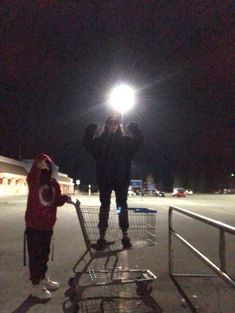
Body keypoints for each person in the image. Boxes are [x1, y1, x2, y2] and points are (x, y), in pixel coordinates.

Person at [83, 115, 144, 250]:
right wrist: (91, 129)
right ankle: (102, 236)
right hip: (104, 180)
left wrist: (135, 129)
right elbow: (87, 144)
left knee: (121, 207)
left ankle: (125, 235)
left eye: (115, 123)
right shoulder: (100, 142)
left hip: (121, 180)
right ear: (106, 125)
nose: (113, 126)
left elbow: (139, 143)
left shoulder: (125, 141)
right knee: (104, 206)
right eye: (110, 123)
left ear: (118, 126)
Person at [25, 153, 71, 300]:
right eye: (42, 164)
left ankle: (43, 278)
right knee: (35, 255)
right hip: (34, 225)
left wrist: (64, 198)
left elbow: (55, 199)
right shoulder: (34, 180)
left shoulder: (53, 183)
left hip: (47, 225)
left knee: (44, 254)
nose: (45, 167)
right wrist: (38, 163)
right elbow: (33, 173)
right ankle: (35, 285)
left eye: (47, 164)